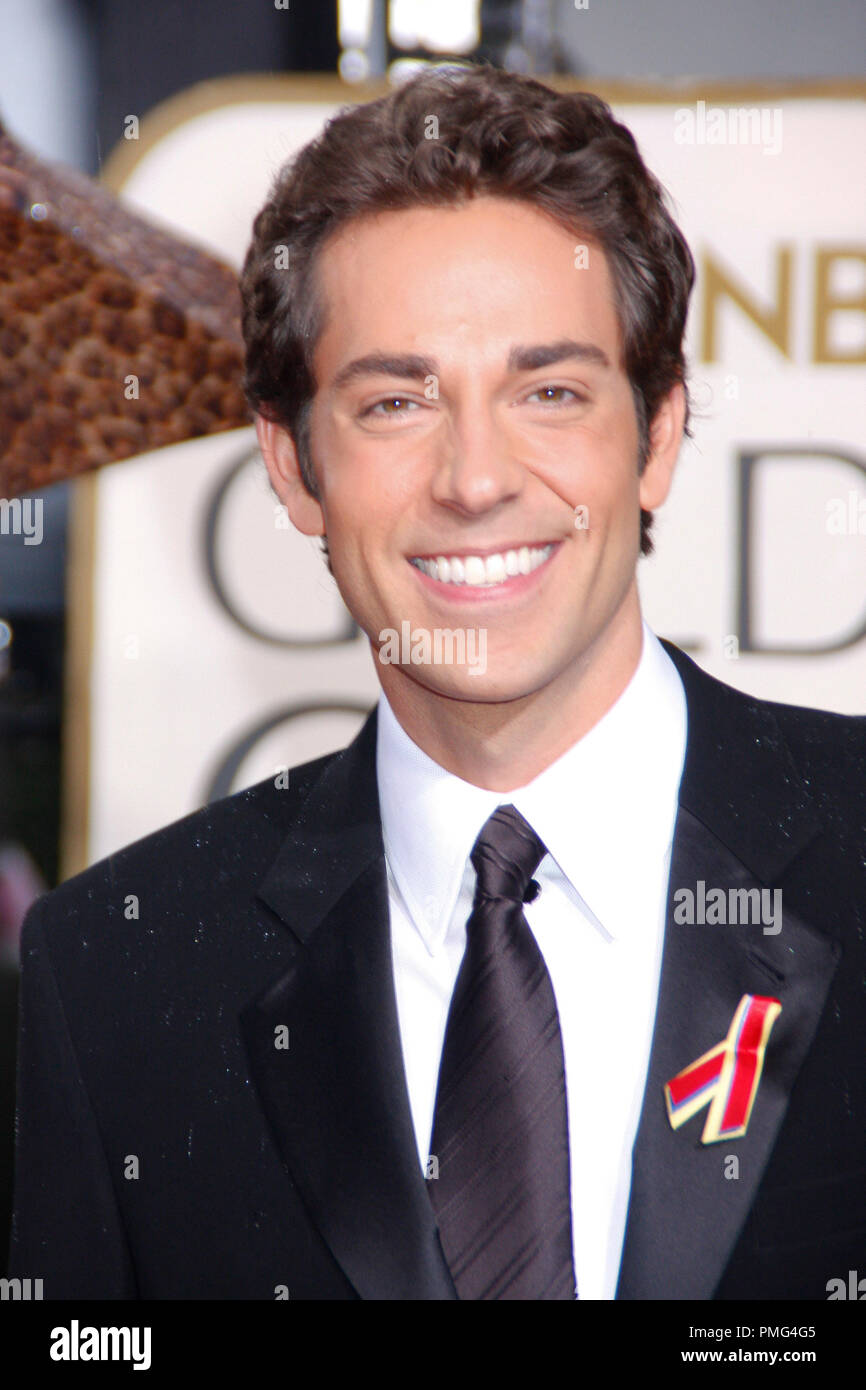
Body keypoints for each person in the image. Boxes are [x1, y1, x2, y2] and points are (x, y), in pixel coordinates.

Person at [8, 64, 865, 1300]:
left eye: (549, 391)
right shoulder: (117, 981)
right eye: (397, 400)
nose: (474, 477)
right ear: (294, 467)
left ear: (659, 434)